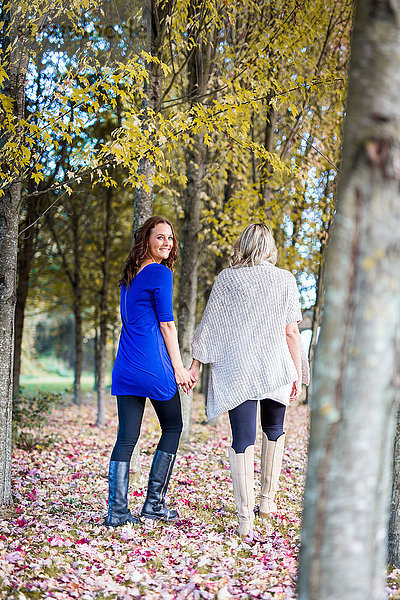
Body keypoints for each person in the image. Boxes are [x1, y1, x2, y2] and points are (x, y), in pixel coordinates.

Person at [189, 223, 309, 537]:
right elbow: (291, 332)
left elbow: (210, 327)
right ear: (269, 247)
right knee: (274, 430)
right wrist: (295, 373)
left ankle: (246, 519)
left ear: (242, 245)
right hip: (275, 368)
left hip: (239, 371)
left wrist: (194, 364)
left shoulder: (226, 279)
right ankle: (267, 502)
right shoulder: (284, 279)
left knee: (242, 441)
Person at [106, 216, 194, 527]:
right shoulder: (159, 272)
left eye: (170, 238)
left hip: (126, 366)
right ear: (146, 240)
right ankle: (154, 504)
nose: (167, 243)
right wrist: (180, 368)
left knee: (127, 437)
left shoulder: (129, 275)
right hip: (152, 366)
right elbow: (167, 324)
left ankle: (116, 512)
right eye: (160, 238)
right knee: (173, 427)